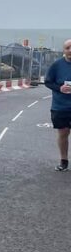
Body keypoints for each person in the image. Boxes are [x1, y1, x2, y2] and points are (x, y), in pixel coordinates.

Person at [43, 39, 71, 171]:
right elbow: (48, 82)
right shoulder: (57, 65)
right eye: (67, 48)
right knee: (63, 133)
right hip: (60, 106)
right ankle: (64, 161)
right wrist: (59, 88)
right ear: (64, 50)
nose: (70, 50)